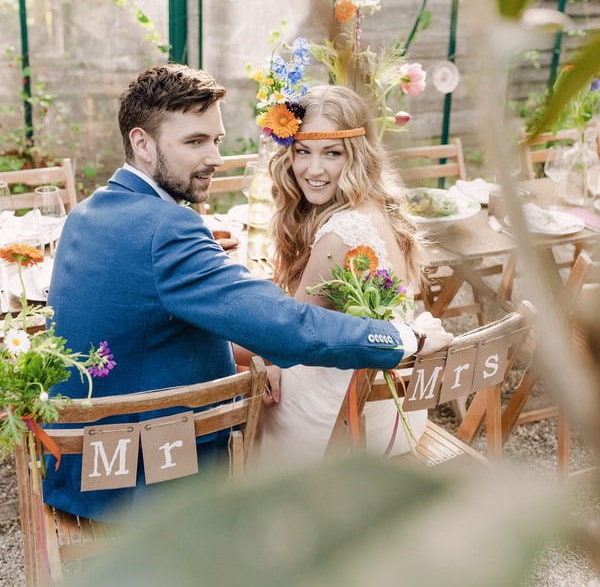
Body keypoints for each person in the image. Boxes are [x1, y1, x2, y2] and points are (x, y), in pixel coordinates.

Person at [43, 64, 452, 521]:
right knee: (260, 406)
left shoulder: (87, 211)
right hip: (143, 476)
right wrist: (404, 339)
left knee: (271, 385)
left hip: (77, 459)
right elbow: (290, 327)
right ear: (142, 143)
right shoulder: (168, 228)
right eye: (195, 142)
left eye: (216, 140)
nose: (216, 157)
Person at [254, 84, 439, 468]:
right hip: (394, 406)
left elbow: (288, 338)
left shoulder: (341, 234)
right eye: (303, 151)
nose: (313, 169)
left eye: (332, 154)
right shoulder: (379, 206)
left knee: (242, 384)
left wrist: (263, 359)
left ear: (355, 156)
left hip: (349, 424)